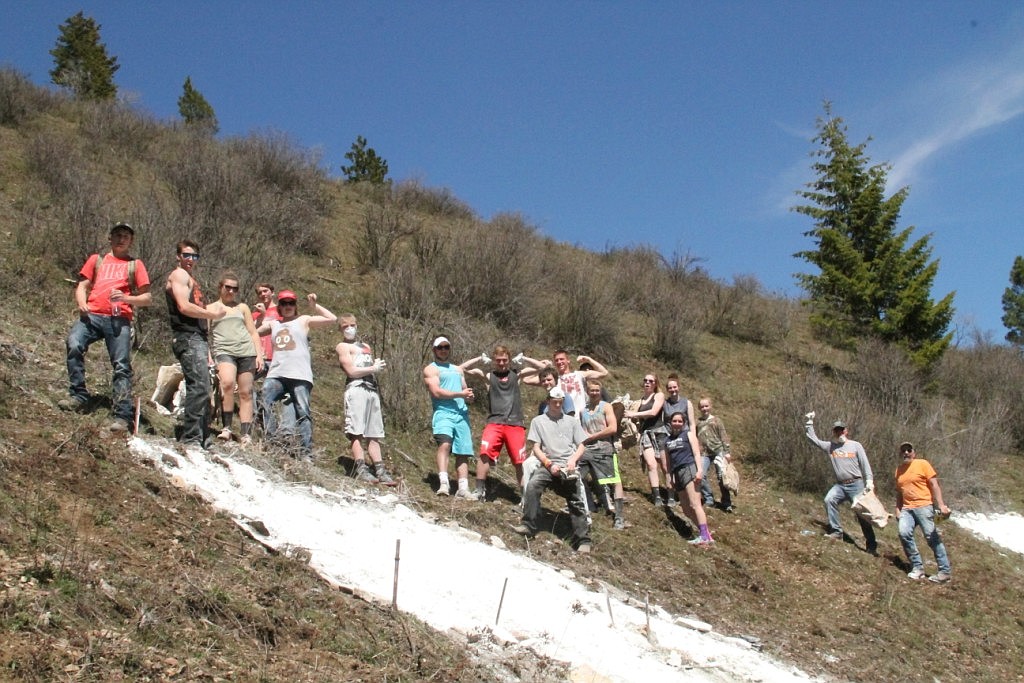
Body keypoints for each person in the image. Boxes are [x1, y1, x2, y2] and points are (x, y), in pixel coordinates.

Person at [61, 222, 153, 432]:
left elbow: (147, 297)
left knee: (121, 365)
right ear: (109, 238)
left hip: (119, 318)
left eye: (126, 236)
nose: (122, 239)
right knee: (74, 343)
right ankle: (78, 395)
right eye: (118, 235)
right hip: (92, 315)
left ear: (131, 241)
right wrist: (81, 303)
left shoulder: (135, 265)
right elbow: (82, 286)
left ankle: (122, 415)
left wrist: (127, 297)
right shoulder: (97, 260)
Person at [255, 290, 337, 460]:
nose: (287, 307)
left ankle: (306, 452)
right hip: (277, 372)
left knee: (303, 412)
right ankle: (272, 440)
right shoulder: (274, 324)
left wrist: (315, 306)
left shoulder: (303, 320)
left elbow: (332, 319)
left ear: (295, 305)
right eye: (283, 303)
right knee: (264, 400)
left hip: (300, 374)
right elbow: (253, 333)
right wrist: (262, 315)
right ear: (279, 306)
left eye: (290, 303)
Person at [462, 346, 547, 500]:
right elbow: (463, 369)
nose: (501, 363)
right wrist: (480, 359)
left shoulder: (517, 375)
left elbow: (543, 367)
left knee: (519, 461)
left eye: (504, 360)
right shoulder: (489, 376)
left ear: (509, 360)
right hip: (494, 422)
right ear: (494, 361)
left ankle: (524, 497)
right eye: (498, 360)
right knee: (484, 454)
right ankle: (480, 491)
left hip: (515, 423)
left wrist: (524, 359)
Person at [514, 387, 592, 553]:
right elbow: (536, 447)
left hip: (568, 466)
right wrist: (548, 464)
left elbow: (581, 445)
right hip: (549, 464)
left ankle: (583, 539)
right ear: (548, 401)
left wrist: (572, 461)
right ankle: (528, 524)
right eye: (554, 401)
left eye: (560, 402)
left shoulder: (572, 422)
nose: (557, 405)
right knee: (534, 485)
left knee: (575, 498)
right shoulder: (538, 421)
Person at [165, 239, 225, 448]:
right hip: (187, 336)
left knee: (203, 386)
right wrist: (211, 313)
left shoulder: (191, 279)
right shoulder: (179, 275)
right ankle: (190, 437)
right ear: (178, 257)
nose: (190, 260)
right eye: (186, 255)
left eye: (194, 256)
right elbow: (183, 306)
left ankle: (202, 437)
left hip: (197, 338)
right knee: (198, 386)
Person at [803, 413, 878, 555]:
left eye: (841, 430)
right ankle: (837, 532)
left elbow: (865, 464)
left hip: (857, 484)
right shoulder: (831, 447)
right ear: (834, 432)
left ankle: (872, 546)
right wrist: (809, 422)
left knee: (862, 515)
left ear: (846, 431)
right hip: (841, 486)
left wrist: (869, 481)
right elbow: (814, 440)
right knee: (829, 499)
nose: (839, 432)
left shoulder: (856, 446)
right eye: (836, 430)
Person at [335, 314, 395, 486]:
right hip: (356, 388)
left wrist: (374, 366)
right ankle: (361, 468)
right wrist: (372, 368)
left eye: (352, 325)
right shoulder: (342, 346)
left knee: (374, 433)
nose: (350, 328)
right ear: (341, 328)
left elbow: (367, 367)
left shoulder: (365, 346)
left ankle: (380, 470)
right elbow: (351, 371)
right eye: (345, 326)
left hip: (371, 388)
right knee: (356, 431)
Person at [207, 272, 264, 446]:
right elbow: (205, 333)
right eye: (227, 287)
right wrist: (209, 356)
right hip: (224, 350)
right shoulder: (210, 308)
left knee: (246, 392)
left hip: (246, 351)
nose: (231, 291)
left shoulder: (242, 308)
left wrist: (259, 354)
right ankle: (227, 427)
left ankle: (245, 433)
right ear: (220, 287)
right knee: (227, 383)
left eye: (234, 288)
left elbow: (253, 332)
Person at [422, 336, 475, 497]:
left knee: (463, 451)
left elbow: (465, 389)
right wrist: (459, 394)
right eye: (440, 347)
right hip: (443, 412)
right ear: (434, 349)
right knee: (444, 444)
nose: (443, 350)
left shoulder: (457, 369)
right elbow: (436, 392)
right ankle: (443, 483)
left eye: (446, 347)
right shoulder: (431, 369)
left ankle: (463, 487)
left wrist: (469, 396)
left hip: (461, 414)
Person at [895, 442, 952, 584]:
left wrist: (941, 505)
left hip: (924, 506)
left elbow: (934, 484)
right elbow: (900, 492)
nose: (906, 453)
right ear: (900, 454)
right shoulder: (899, 470)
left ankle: (944, 571)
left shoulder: (923, 464)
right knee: (903, 533)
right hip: (907, 509)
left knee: (931, 537)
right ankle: (917, 568)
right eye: (903, 451)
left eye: (909, 450)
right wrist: (897, 508)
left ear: (914, 452)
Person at [579, 379, 627, 530]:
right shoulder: (583, 411)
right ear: (587, 392)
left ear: (600, 392)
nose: (594, 393)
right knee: (577, 476)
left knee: (614, 479)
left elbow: (612, 428)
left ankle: (619, 517)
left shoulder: (606, 407)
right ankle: (586, 506)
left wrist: (593, 436)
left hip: (605, 448)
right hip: (588, 450)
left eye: (597, 390)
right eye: (591, 390)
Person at [663, 411, 714, 546]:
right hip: (677, 473)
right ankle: (706, 534)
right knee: (686, 509)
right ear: (670, 422)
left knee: (695, 504)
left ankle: (704, 535)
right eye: (675, 421)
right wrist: (670, 478)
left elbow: (697, 454)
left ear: (684, 423)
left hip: (689, 468)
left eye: (680, 421)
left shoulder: (688, 435)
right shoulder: (667, 441)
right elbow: (668, 463)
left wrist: (699, 471)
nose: (677, 423)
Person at [625, 373, 671, 506]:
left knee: (665, 465)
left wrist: (634, 414)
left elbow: (653, 412)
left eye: (651, 381)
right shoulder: (640, 401)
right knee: (651, 464)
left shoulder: (658, 396)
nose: (647, 383)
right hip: (646, 434)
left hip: (659, 432)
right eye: (645, 380)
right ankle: (656, 496)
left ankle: (671, 495)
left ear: (655, 384)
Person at [696, 396, 734, 512]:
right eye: (702, 406)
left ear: (710, 406)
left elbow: (724, 436)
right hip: (704, 453)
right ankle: (709, 499)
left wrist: (727, 452)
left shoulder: (717, 420)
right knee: (700, 475)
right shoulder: (698, 422)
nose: (704, 408)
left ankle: (726, 502)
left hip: (718, 450)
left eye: (706, 406)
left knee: (722, 476)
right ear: (699, 408)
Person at [552, 350, 608, 416]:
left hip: (582, 417)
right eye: (556, 360)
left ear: (568, 360)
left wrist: (588, 359)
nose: (559, 362)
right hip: (564, 418)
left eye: (561, 359)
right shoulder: (553, 380)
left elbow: (604, 373)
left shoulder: (579, 375)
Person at [252, 283, 279, 375]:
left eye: (265, 291)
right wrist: (262, 314)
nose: (263, 294)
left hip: (277, 356)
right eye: (260, 293)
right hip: (259, 356)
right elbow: (251, 333)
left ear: (272, 293)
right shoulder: (255, 314)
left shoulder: (281, 310)